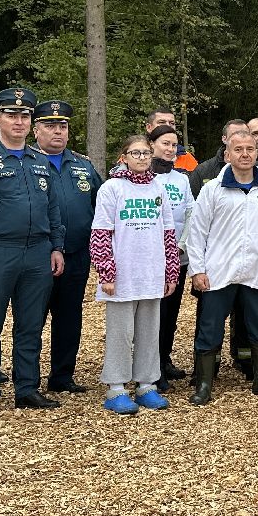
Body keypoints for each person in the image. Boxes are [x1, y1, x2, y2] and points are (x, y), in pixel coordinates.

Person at [0, 86, 66, 415]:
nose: (19, 122)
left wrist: (57, 247)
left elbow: (53, 209)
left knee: (30, 325)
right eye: (12, 115)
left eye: (24, 116)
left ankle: (27, 388)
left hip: (37, 252)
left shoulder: (39, 161)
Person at [185, 128, 258, 401]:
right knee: (210, 327)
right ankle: (204, 384)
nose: (245, 154)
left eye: (250, 149)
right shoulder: (212, 189)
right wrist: (197, 270)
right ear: (227, 154)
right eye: (239, 149)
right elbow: (197, 233)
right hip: (218, 271)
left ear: (256, 153)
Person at [90, 135, 181, 413]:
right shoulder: (112, 188)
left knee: (149, 332)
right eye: (135, 153)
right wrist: (106, 272)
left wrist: (171, 271)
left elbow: (168, 232)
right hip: (123, 274)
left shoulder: (158, 187)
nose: (141, 158)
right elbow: (101, 233)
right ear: (124, 157)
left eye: (145, 153)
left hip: (151, 272)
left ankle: (146, 384)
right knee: (121, 333)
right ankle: (116, 387)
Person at [33, 100, 103, 394]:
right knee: (32, 320)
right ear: (36, 131)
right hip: (37, 256)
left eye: (62, 126)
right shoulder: (28, 162)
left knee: (69, 318)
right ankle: (27, 380)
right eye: (50, 126)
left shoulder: (83, 165)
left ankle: (62, 376)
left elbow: (101, 206)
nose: (58, 131)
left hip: (76, 254)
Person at [148, 123, 194, 387]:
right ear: (152, 145)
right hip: (151, 257)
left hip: (177, 256)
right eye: (165, 143)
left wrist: (181, 246)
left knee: (171, 312)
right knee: (155, 313)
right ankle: (151, 367)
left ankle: (164, 358)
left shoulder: (182, 179)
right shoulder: (142, 177)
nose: (170, 149)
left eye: (174, 145)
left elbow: (190, 213)